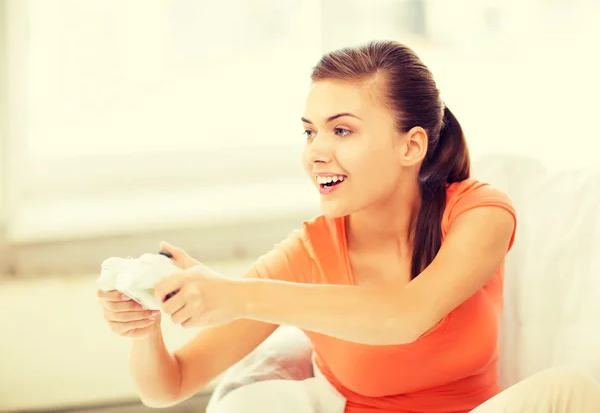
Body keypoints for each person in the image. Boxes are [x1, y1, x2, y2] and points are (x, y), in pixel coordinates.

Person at [97, 41, 600, 412]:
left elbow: (407, 315)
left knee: (572, 388)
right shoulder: (307, 254)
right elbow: (168, 386)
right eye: (309, 131)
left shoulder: (478, 212)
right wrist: (145, 327)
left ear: (412, 146)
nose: (316, 151)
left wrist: (239, 295)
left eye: (342, 130)